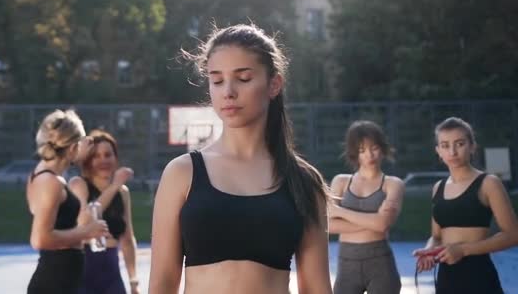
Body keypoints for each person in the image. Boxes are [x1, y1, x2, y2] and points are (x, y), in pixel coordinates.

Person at [148, 24, 332, 294]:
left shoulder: (302, 180)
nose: (228, 92)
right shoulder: (182, 173)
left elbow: (317, 288)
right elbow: (162, 283)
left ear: (274, 84)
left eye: (243, 78)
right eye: (217, 80)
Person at [413, 117, 518, 293]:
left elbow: (513, 235)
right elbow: (437, 236)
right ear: (438, 151)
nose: (452, 152)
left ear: (472, 146)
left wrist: (463, 250)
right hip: (446, 278)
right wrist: (429, 251)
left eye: (459, 144)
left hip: (479, 276)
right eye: (445, 145)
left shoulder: (489, 183)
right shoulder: (438, 187)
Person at [26, 109, 110, 294]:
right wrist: (86, 232)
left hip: (60, 279)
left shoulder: (42, 174)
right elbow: (40, 239)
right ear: (72, 148)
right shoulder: (51, 183)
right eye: (80, 144)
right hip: (54, 281)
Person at [328, 120, 404, 294]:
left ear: (382, 148)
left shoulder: (393, 184)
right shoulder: (341, 181)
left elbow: (383, 225)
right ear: (355, 153)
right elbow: (328, 225)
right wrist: (374, 221)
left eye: (374, 148)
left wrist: (340, 212)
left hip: (380, 264)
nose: (369, 155)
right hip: (346, 266)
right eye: (362, 150)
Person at [69, 129, 139, 294]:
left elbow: (128, 239)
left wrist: (134, 281)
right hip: (82, 271)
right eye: (96, 156)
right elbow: (83, 221)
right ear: (87, 161)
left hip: (111, 273)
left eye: (108, 155)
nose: (103, 160)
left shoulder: (122, 192)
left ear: (115, 158)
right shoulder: (78, 184)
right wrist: (113, 186)